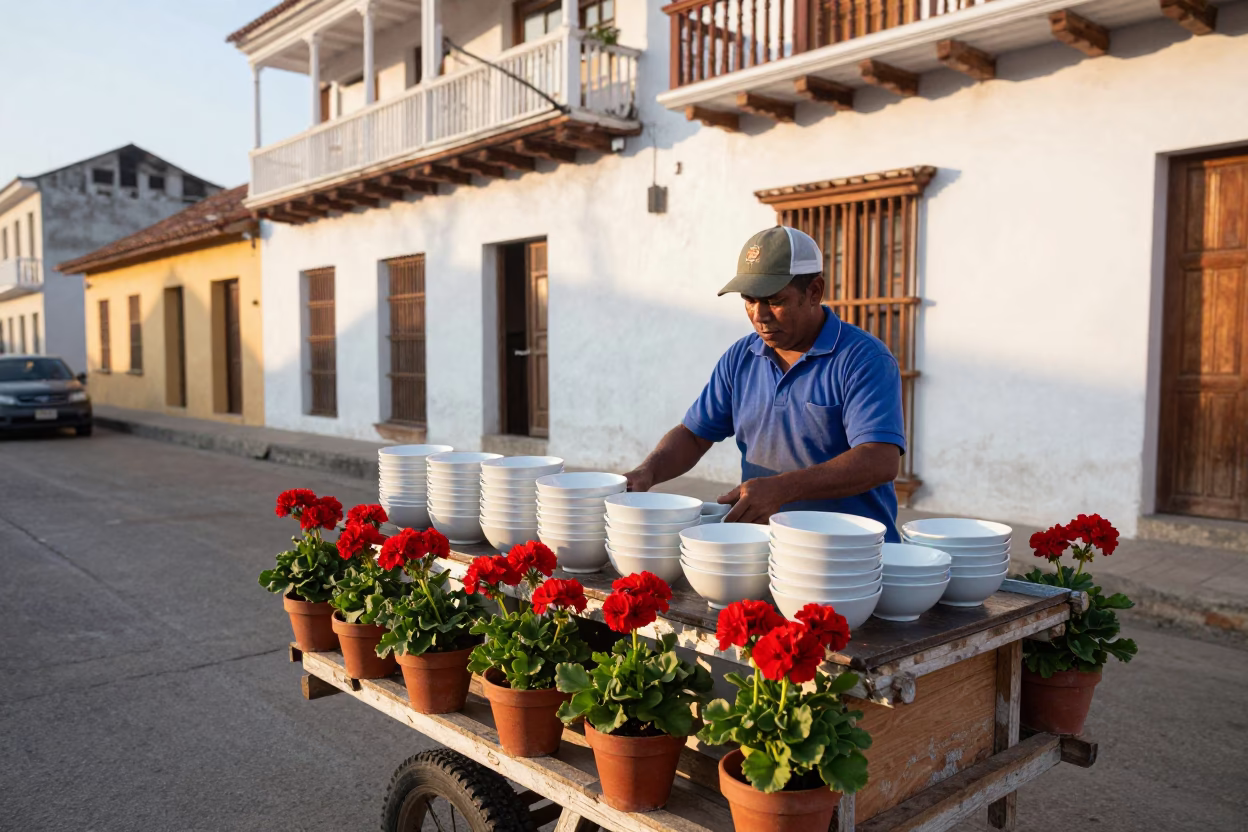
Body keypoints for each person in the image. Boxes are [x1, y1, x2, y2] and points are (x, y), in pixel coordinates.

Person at [623, 225, 907, 541]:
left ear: (814, 291)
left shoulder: (863, 359)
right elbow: (694, 435)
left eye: (775, 300)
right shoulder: (741, 358)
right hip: (768, 549)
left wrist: (782, 488)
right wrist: (648, 471)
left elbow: (880, 460)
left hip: (851, 553)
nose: (760, 315)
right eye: (749, 300)